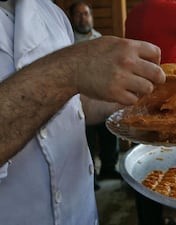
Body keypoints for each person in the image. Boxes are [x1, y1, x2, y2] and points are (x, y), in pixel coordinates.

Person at [0, 1, 165, 224]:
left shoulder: (51, 13)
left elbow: (73, 104)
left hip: (81, 213)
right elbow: (67, 76)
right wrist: (72, 68)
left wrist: (135, 104)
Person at [69, 1, 121, 190]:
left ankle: (109, 167)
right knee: (86, 140)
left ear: (92, 16)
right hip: (80, 99)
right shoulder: (67, 42)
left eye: (86, 13)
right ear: (72, 18)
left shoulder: (101, 39)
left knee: (109, 133)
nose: (83, 18)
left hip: (104, 96)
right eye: (78, 14)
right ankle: (91, 177)